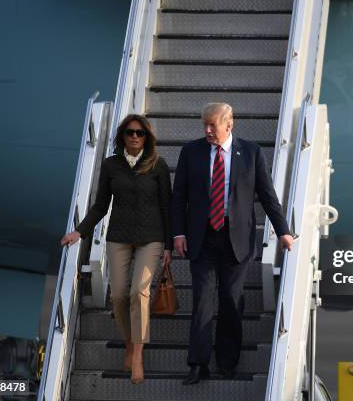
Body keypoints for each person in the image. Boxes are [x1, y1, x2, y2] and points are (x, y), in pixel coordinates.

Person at [171, 103, 293, 385]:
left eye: (213, 125)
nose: (207, 131)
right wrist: (178, 234)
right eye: (205, 125)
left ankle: (227, 361)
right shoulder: (192, 152)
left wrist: (283, 231)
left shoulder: (250, 153)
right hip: (202, 238)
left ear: (229, 124)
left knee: (230, 301)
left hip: (235, 239)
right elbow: (179, 197)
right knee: (202, 301)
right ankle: (198, 363)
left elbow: (267, 195)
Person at [60, 114, 173, 384]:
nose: (135, 137)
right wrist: (80, 231)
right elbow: (101, 206)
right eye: (130, 132)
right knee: (119, 296)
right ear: (122, 136)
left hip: (151, 237)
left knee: (139, 292)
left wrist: (169, 244)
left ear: (147, 138)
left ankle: (137, 354)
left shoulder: (158, 165)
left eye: (140, 133)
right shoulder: (111, 165)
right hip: (119, 236)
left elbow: (167, 207)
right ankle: (128, 342)